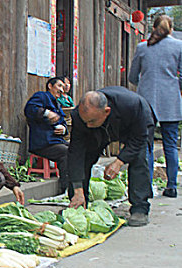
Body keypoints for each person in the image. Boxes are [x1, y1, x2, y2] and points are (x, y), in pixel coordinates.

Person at [68, 86, 155, 226]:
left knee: (138, 157)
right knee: (84, 156)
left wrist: (119, 162)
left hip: (134, 124)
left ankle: (140, 208)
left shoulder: (132, 105)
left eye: (91, 121)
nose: (88, 126)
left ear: (106, 111)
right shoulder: (81, 117)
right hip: (101, 128)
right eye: (86, 122)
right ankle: (79, 202)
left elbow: (138, 140)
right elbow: (75, 152)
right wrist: (77, 188)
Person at [129, 14, 182, 198]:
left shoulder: (143, 47)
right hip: (171, 101)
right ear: (171, 29)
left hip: (146, 101)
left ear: (153, 28)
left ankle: (147, 186)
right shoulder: (179, 45)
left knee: (147, 145)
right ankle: (171, 186)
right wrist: (174, 86)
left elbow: (132, 76)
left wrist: (144, 83)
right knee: (170, 145)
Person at [24, 77, 69, 192]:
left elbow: (64, 123)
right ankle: (66, 188)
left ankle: (77, 185)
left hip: (56, 142)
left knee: (76, 148)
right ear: (50, 86)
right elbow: (29, 109)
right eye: (59, 86)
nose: (61, 90)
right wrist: (46, 113)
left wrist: (63, 129)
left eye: (63, 88)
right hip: (43, 143)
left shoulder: (58, 105)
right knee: (65, 152)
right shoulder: (41, 96)